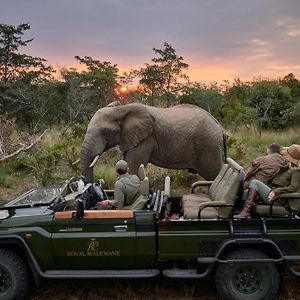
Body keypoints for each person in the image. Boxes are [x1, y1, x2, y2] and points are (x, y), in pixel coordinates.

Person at [234, 144, 300, 219]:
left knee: (255, 182)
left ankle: (246, 212)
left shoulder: (296, 171)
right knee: (243, 194)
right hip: (274, 194)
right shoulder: (288, 167)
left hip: (280, 199)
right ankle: (243, 212)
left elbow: (293, 188)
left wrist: (275, 191)